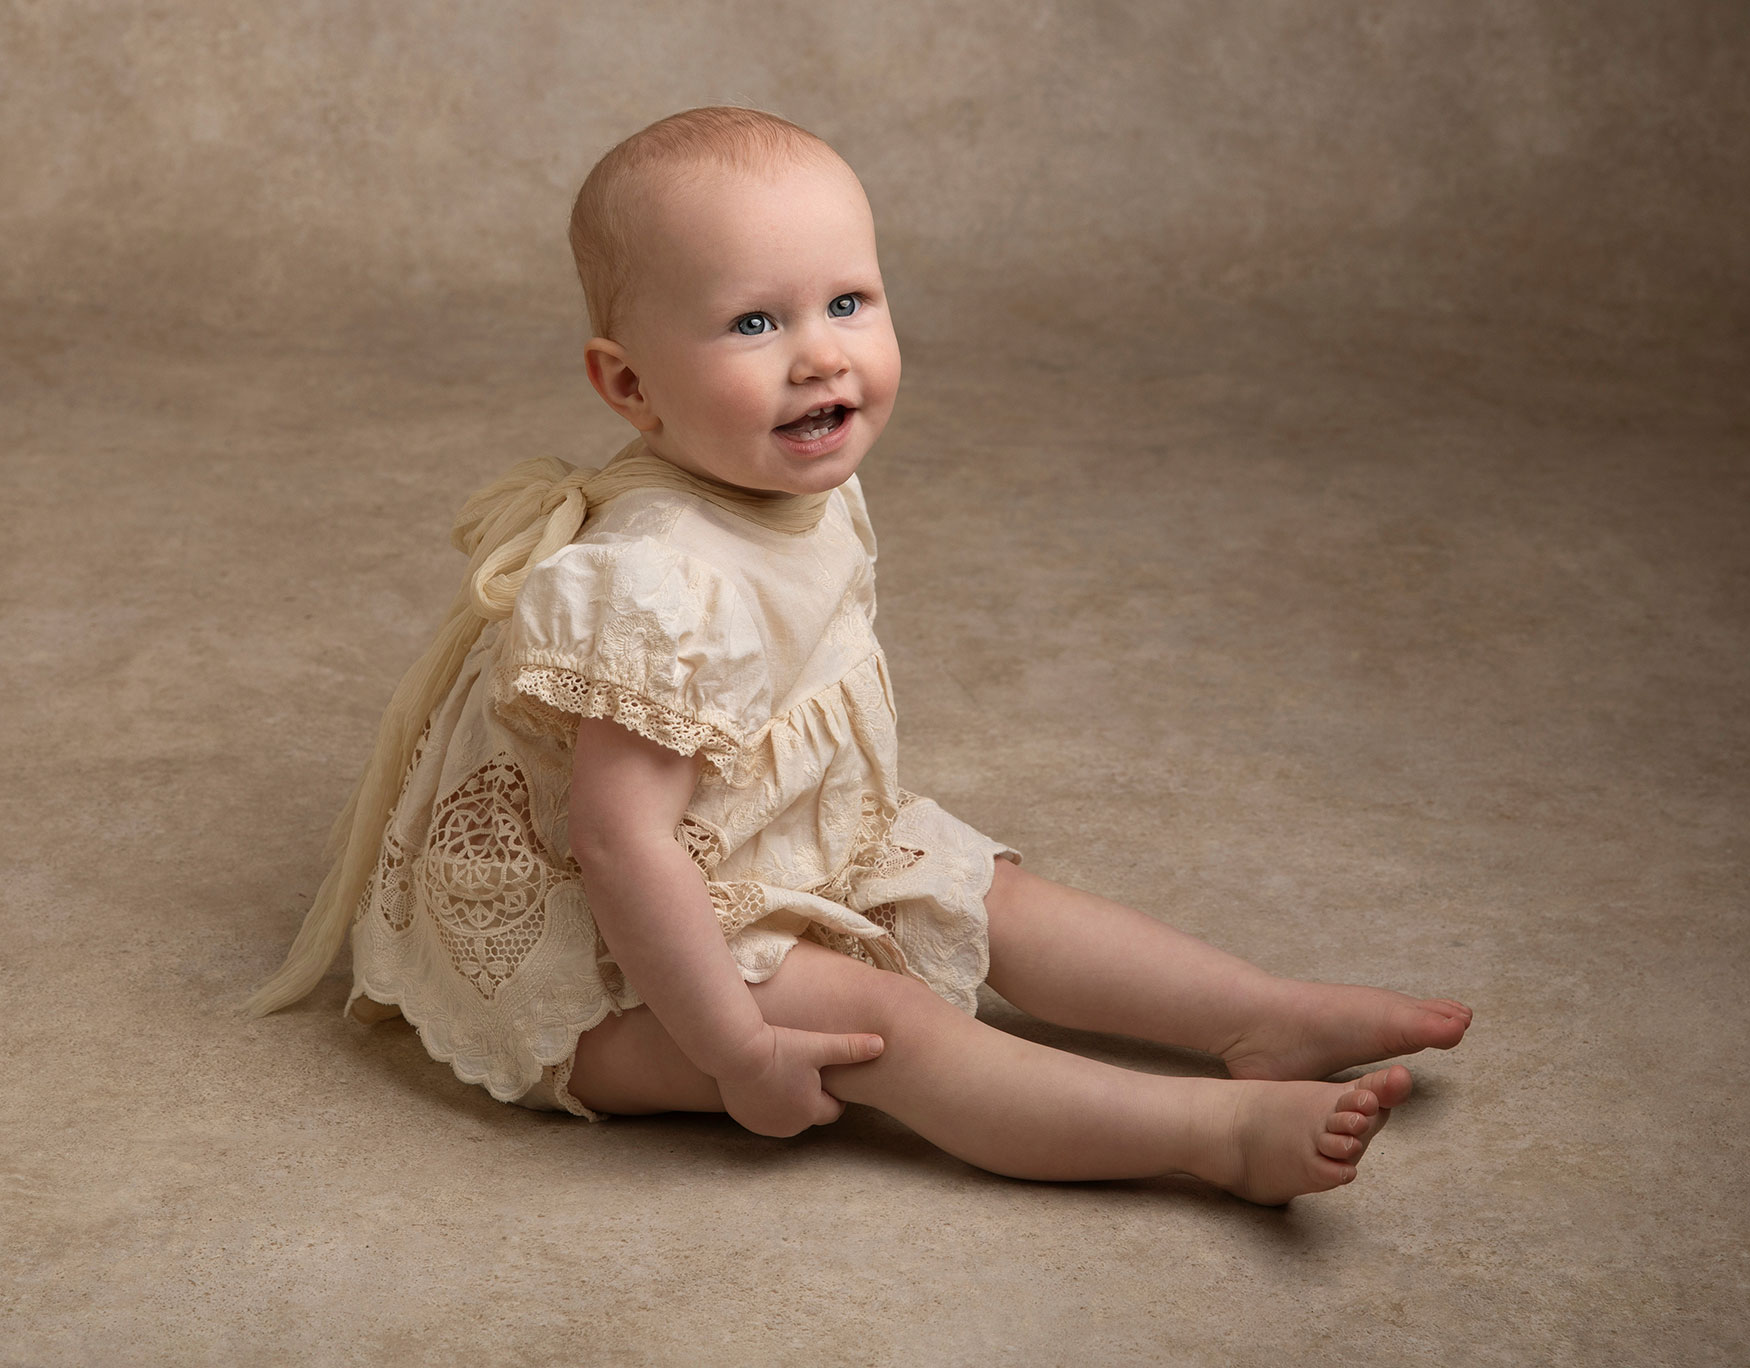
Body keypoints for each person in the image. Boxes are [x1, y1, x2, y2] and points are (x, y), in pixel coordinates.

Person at [247, 106, 1471, 1205]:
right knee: (892, 1026)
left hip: (764, 838)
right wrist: (735, 1050)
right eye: (754, 321)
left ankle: (1258, 1017)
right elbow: (620, 846)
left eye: (848, 302)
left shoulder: (799, 482)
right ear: (630, 385)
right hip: (616, 961)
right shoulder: (657, 579)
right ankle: (1217, 1132)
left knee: (990, 890)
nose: (821, 354)